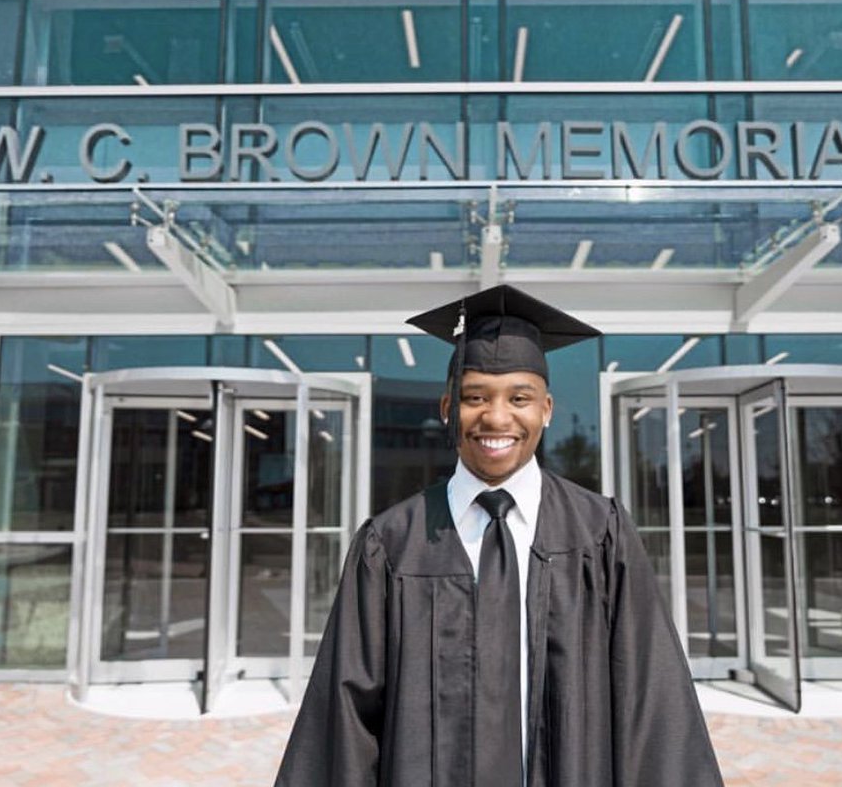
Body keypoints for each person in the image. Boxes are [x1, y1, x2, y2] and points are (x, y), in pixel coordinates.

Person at [275, 285, 723, 786]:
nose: (496, 417)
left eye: (519, 398)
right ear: (448, 408)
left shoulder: (600, 533)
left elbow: (651, 697)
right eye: (475, 398)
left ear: (547, 409)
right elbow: (345, 714)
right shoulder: (391, 544)